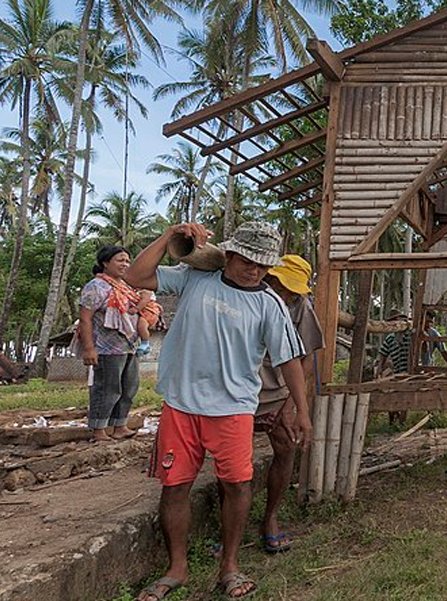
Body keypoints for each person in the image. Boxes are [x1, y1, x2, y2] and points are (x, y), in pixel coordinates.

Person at [126, 222, 311, 601]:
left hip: (233, 409)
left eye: (262, 265)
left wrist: (302, 412)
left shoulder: (269, 304)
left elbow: (290, 360)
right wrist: (169, 236)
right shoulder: (195, 278)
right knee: (175, 487)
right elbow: (136, 275)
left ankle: (229, 565)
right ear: (230, 254)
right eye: (247, 260)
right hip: (181, 403)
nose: (254, 270)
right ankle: (177, 567)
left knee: (237, 485)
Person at [254, 254, 325, 553]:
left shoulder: (300, 306)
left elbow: (307, 357)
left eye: (291, 289)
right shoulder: (250, 295)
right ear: (270, 277)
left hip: (277, 392)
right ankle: (230, 521)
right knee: (232, 462)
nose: (284, 293)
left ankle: (270, 517)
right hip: (239, 391)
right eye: (281, 285)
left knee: (285, 449)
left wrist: (293, 404)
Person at [78, 245, 146, 441]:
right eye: (120, 260)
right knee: (107, 388)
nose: (125, 264)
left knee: (129, 387)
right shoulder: (96, 287)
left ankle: (119, 425)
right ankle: (99, 429)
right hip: (106, 348)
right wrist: (89, 348)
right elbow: (85, 318)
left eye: (127, 260)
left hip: (129, 345)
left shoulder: (126, 287)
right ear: (105, 263)